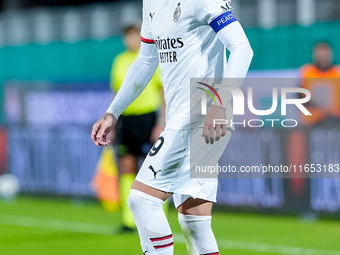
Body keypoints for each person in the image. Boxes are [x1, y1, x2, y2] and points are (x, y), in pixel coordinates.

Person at [92, 0, 253, 254]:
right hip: (184, 118)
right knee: (194, 219)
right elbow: (146, 61)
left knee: (142, 200)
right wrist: (113, 112)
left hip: (200, 115)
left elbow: (242, 48)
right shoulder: (152, 3)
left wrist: (221, 103)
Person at [110, 25, 166, 232]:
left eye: (134, 35)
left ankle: (157, 215)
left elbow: (163, 91)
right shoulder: (119, 61)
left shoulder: (152, 59)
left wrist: (161, 121)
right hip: (126, 119)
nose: (130, 40)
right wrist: (112, 118)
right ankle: (128, 220)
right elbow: (116, 92)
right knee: (126, 166)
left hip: (148, 117)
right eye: (127, 36)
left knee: (153, 167)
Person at [300, 42, 340, 126]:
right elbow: (299, 97)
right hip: (312, 121)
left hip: (335, 121)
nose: (323, 59)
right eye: (320, 55)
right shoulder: (307, 72)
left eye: (325, 55)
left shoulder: (337, 73)